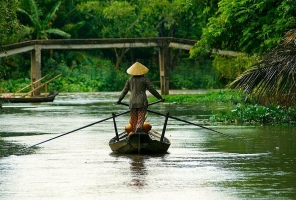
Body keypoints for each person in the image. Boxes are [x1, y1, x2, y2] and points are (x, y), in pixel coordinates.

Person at [116, 62, 165, 135]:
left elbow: (124, 91)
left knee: (134, 119)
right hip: (142, 102)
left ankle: (134, 132)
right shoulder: (145, 79)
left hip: (132, 102)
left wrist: (119, 100)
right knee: (141, 117)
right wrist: (160, 97)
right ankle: (139, 129)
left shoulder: (129, 80)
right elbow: (152, 90)